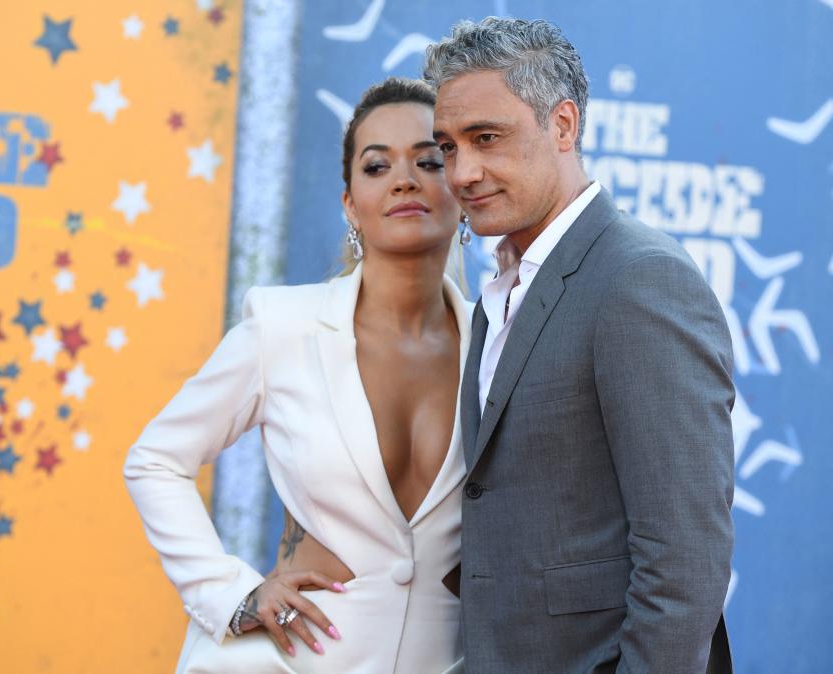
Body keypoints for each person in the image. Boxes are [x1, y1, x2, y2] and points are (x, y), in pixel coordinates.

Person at [124, 77, 471, 674]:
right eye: (376, 166)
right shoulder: (283, 328)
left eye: (429, 160)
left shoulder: (500, 345)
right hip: (294, 661)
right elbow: (155, 459)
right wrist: (231, 592)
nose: (404, 179)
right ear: (349, 205)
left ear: (463, 188)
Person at [424, 17, 735, 674]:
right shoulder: (498, 292)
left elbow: (684, 563)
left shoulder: (640, 277)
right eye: (448, 146)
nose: (463, 172)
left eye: (487, 138)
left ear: (562, 126)